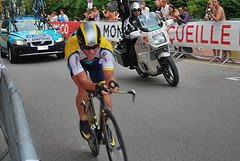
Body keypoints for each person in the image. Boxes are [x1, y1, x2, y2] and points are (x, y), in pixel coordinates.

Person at [64, 22, 119, 140]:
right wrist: (96, 87)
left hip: (96, 63)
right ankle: (83, 120)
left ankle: (106, 126)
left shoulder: (105, 46)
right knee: (84, 90)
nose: (91, 51)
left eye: (95, 47)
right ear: (80, 44)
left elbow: (109, 75)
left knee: (106, 94)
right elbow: (84, 82)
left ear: (99, 43)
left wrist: (111, 83)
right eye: (86, 48)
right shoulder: (71, 48)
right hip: (79, 63)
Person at [123, 2, 142, 69]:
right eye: (135, 10)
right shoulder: (127, 21)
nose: (137, 12)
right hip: (135, 39)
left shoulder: (144, 17)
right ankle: (134, 63)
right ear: (131, 11)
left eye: (138, 10)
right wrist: (130, 33)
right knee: (133, 48)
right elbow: (126, 34)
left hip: (145, 35)